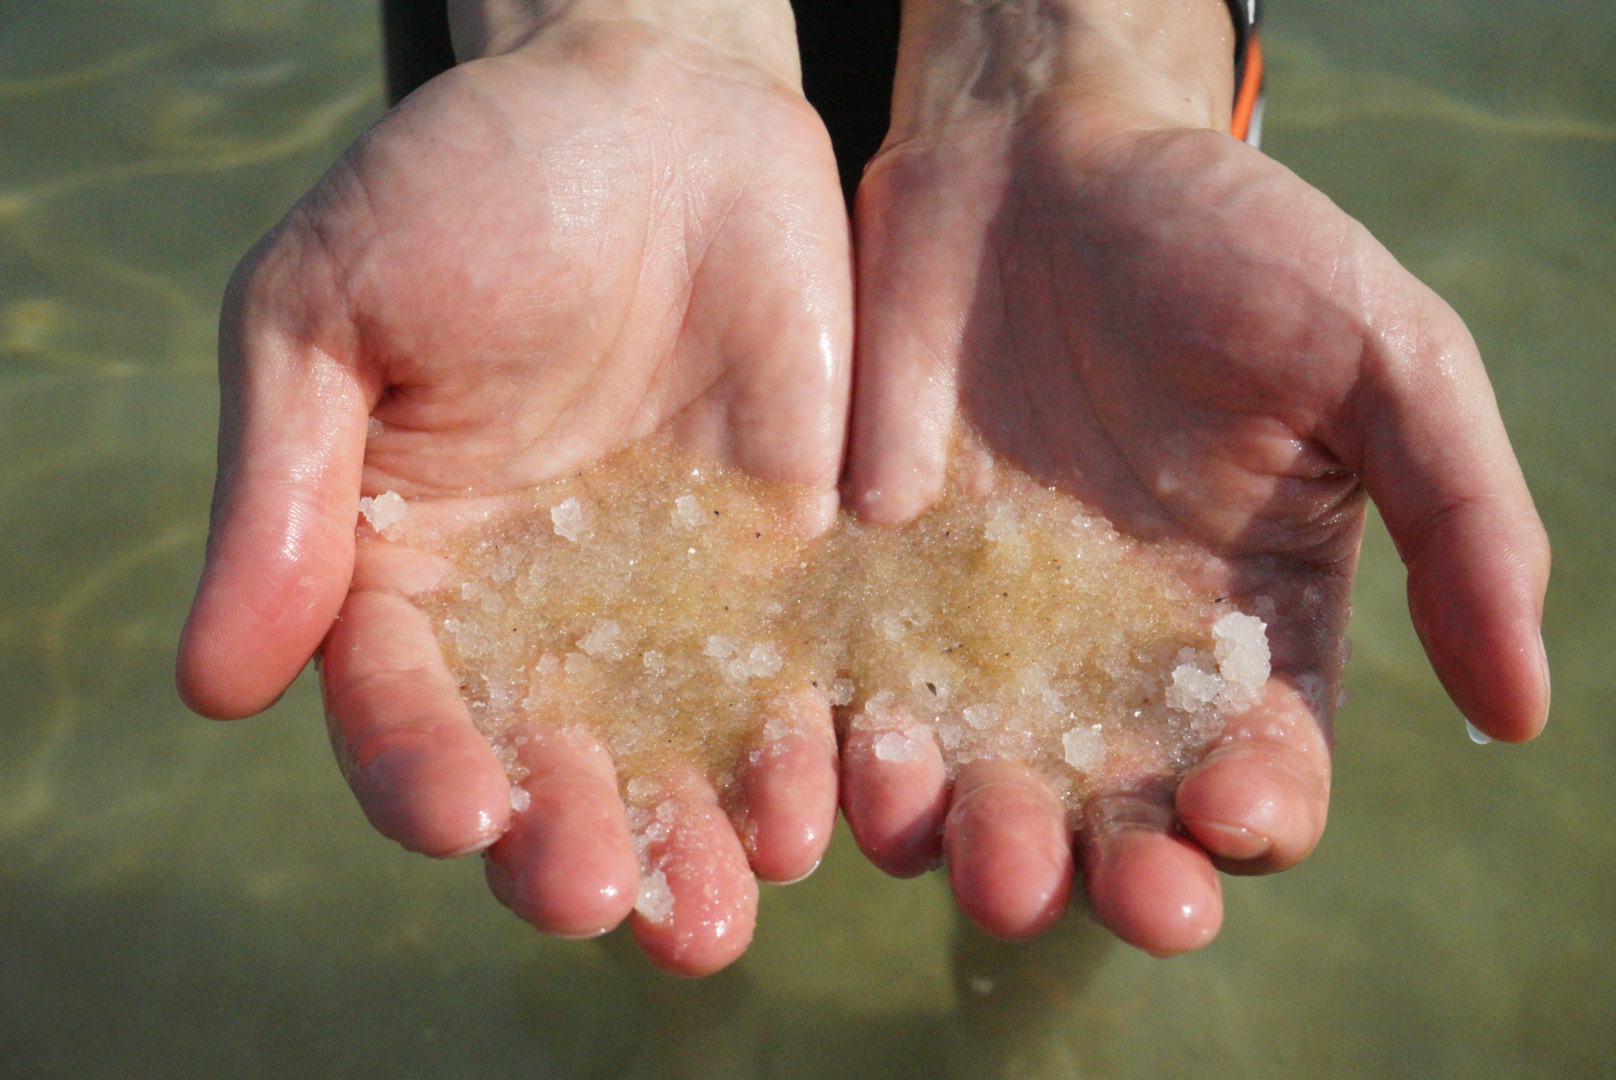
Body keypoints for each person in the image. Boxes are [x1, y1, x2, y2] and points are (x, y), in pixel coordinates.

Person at [176, 0, 1550, 977]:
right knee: (631, 807)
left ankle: (1017, 1005)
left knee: (1093, 812)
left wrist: (1067, 52)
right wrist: (611, 31)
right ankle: (679, 1002)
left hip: (1087, 145)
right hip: (563, 117)